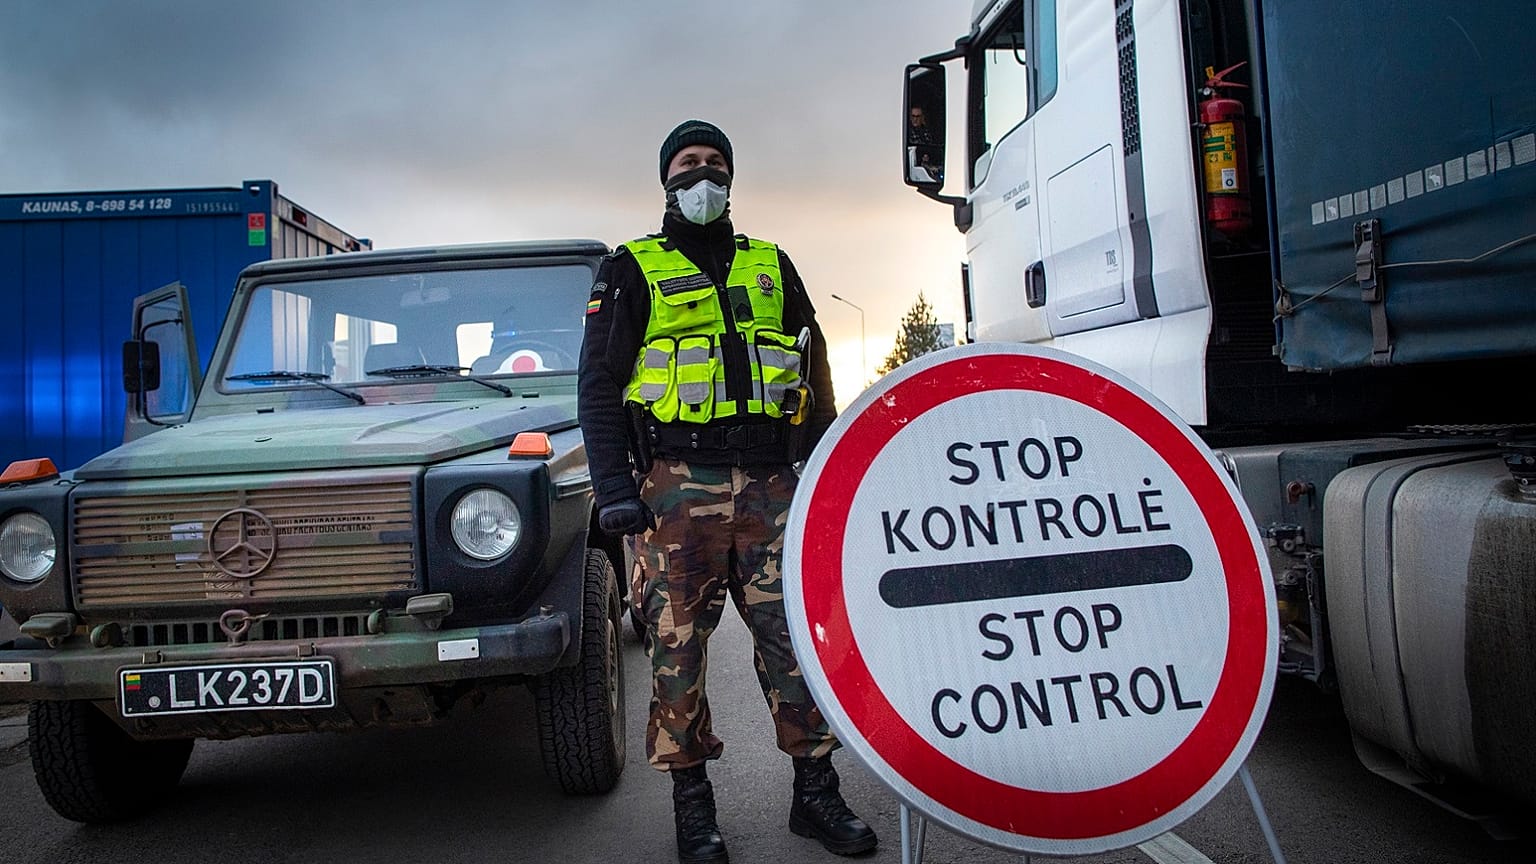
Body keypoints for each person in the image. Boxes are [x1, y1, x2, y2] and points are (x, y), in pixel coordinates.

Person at [577, 119, 877, 864]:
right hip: (678, 492)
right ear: (666, 181)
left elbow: (816, 367)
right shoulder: (630, 270)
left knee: (799, 642)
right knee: (677, 653)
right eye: (688, 164)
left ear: (731, 176)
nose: (702, 174)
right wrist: (614, 486)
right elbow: (599, 386)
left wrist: (827, 461)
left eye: (714, 162)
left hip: (775, 489)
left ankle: (816, 794)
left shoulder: (772, 264)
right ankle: (693, 809)